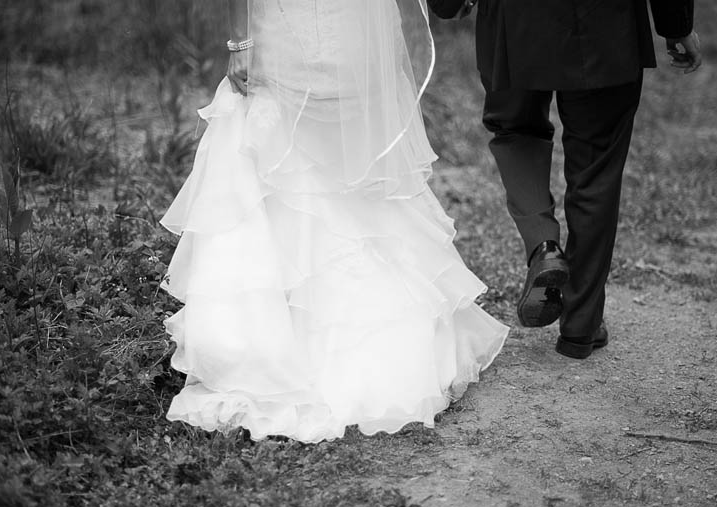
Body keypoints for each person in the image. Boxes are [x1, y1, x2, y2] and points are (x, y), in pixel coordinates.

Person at [159, 0, 509, 443]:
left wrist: (240, 42)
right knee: (346, 175)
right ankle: (375, 341)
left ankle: (267, 346)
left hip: (286, 34)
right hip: (351, 35)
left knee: (282, 159)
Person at [429, 0, 702, 358]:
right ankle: (581, 325)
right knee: (596, 165)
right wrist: (676, 24)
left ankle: (544, 246)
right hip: (608, 25)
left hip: (513, 21)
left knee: (515, 131)